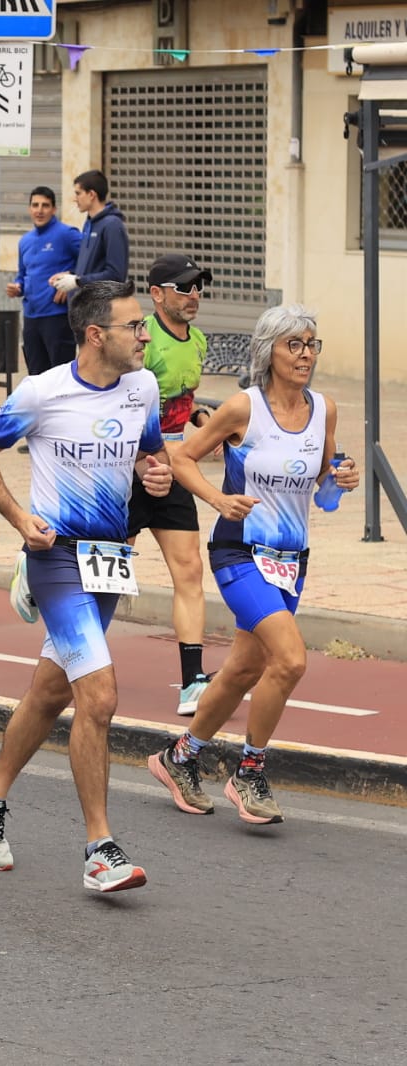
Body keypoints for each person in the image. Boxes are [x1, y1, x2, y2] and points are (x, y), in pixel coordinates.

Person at [0, 279, 168, 893]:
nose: (145, 335)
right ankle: (100, 850)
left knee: (51, 694)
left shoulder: (142, 387)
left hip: (108, 563)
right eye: (135, 326)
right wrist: (21, 520)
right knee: (98, 698)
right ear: (97, 334)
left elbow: (149, 456)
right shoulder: (42, 393)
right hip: (56, 564)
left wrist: (153, 478)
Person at [148, 305, 358, 825]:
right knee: (289, 660)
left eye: (312, 343)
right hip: (239, 551)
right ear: (269, 351)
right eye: (295, 344)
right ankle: (250, 770)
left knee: (245, 667)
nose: (306, 354)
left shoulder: (324, 410)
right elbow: (181, 457)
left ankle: (180, 759)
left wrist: (341, 478)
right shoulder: (244, 408)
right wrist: (218, 500)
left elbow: (323, 487)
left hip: (292, 558)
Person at [130, 254, 215, 714]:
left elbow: (185, 400)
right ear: (158, 295)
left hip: (174, 467)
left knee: (189, 571)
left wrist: (204, 419)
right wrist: (143, 461)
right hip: (127, 471)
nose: (194, 294)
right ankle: (37, 562)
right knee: (104, 575)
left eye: (198, 286)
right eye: (183, 288)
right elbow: (119, 404)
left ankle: (192, 682)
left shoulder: (198, 340)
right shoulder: (140, 338)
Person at [7, 186, 81, 374]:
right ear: (29, 209)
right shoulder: (25, 241)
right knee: (36, 376)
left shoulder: (67, 234)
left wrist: (70, 279)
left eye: (45, 205)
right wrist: (18, 287)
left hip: (57, 317)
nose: (39, 210)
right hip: (31, 318)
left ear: (54, 209)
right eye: (35, 205)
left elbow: (91, 261)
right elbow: (23, 274)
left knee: (60, 376)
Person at [49, 170, 129, 296]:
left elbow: (116, 275)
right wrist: (70, 275)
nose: (75, 199)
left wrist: (78, 281)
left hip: (100, 309)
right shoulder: (89, 224)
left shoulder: (112, 225)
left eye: (78, 193)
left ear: (91, 194)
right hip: (84, 308)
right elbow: (92, 267)